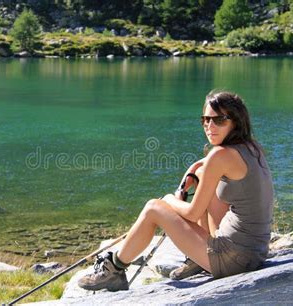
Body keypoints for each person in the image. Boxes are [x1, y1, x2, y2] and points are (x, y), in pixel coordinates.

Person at [78, 90, 274, 291]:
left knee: (153, 208)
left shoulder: (220, 155)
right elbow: (207, 166)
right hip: (255, 253)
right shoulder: (252, 147)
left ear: (236, 122)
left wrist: (170, 198)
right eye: (205, 120)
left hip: (232, 261)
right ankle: (198, 260)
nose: (210, 126)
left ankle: (114, 269)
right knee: (202, 179)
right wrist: (194, 172)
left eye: (219, 120)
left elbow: (193, 213)